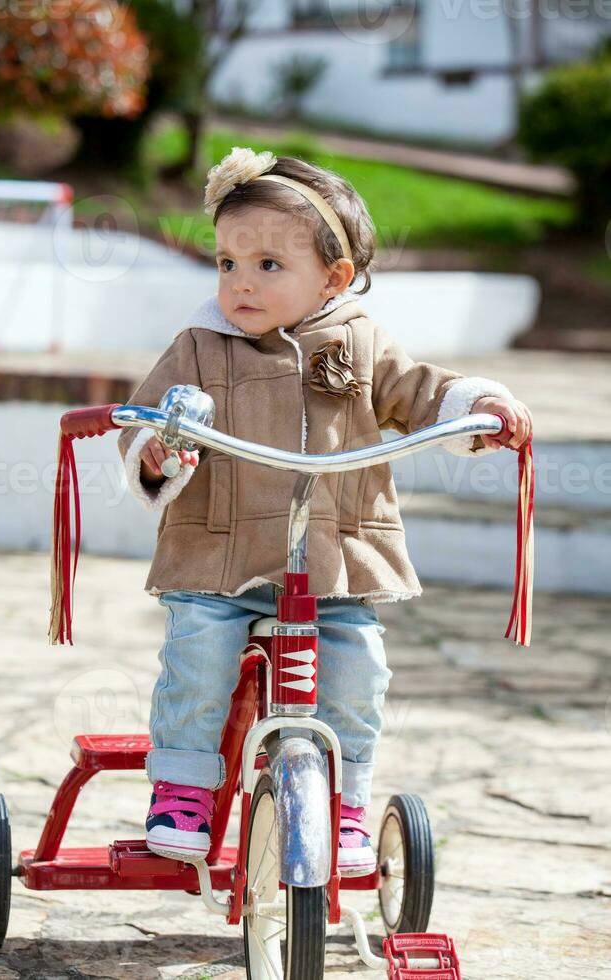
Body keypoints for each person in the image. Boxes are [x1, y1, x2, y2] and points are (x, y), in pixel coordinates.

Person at [117, 147, 533, 875]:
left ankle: (345, 800)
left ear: (333, 277)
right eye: (226, 263)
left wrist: (476, 406)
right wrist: (156, 447)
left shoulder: (359, 341)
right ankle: (183, 787)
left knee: (358, 670)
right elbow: (150, 415)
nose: (240, 283)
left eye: (268, 266)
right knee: (198, 655)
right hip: (220, 556)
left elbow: (418, 389)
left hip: (333, 560)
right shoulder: (200, 343)